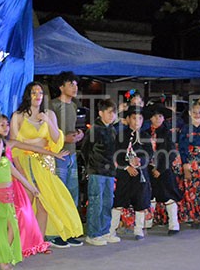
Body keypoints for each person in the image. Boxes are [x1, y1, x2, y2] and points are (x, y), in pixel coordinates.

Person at [0, 84, 53, 257]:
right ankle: (6, 249)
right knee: (9, 218)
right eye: (1, 125)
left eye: (7, 125)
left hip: (14, 184)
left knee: (22, 213)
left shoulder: (9, 143)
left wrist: (54, 154)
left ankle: (25, 246)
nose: (6, 128)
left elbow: (30, 147)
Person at [10, 82, 83, 248]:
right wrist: (19, 172)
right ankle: (20, 242)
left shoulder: (49, 113)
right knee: (27, 204)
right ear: (28, 95)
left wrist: (48, 122)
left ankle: (39, 242)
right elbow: (13, 145)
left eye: (40, 93)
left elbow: (57, 140)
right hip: (26, 163)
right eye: (34, 93)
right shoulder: (18, 116)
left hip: (46, 163)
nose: (37, 96)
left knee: (44, 203)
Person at [0, 129, 39, 270]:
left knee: (13, 228)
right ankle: (3, 260)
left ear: (4, 146)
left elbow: (19, 176)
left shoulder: (6, 162)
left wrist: (32, 188)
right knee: (0, 230)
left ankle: (0, 256)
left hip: (9, 200)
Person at [111, 106, 153, 240]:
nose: (137, 121)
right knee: (119, 201)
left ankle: (139, 229)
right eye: (134, 118)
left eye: (140, 118)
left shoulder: (145, 136)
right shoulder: (121, 135)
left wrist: (140, 161)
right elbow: (116, 154)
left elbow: (149, 153)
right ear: (128, 119)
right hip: (125, 173)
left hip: (140, 174)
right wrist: (126, 166)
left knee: (140, 200)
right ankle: (112, 229)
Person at [82, 98, 119, 246]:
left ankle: (105, 231)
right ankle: (93, 233)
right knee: (96, 202)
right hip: (96, 170)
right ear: (101, 113)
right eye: (109, 112)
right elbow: (85, 150)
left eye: (114, 113)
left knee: (107, 201)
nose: (112, 115)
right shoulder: (94, 129)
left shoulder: (111, 129)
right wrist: (90, 167)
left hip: (109, 171)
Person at [145, 104, 183, 236]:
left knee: (168, 196)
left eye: (160, 116)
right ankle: (148, 222)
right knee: (151, 195)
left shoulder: (167, 133)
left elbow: (171, 153)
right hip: (149, 168)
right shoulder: (146, 133)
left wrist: (160, 169)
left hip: (164, 169)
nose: (157, 119)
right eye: (154, 116)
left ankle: (174, 224)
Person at [49, 71, 83, 207]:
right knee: (59, 189)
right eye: (71, 84)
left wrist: (79, 134)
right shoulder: (53, 105)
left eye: (76, 84)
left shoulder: (74, 105)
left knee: (73, 190)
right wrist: (64, 139)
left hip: (72, 154)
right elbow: (47, 132)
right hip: (58, 154)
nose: (75, 87)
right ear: (61, 87)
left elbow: (72, 127)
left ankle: (71, 223)